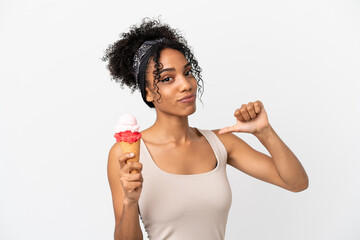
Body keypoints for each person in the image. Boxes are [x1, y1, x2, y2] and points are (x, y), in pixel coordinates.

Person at [103, 18, 309, 240]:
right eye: (168, 78)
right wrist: (130, 201)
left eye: (188, 72)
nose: (186, 84)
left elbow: (297, 183)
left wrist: (265, 132)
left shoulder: (221, 143)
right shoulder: (127, 154)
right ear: (148, 93)